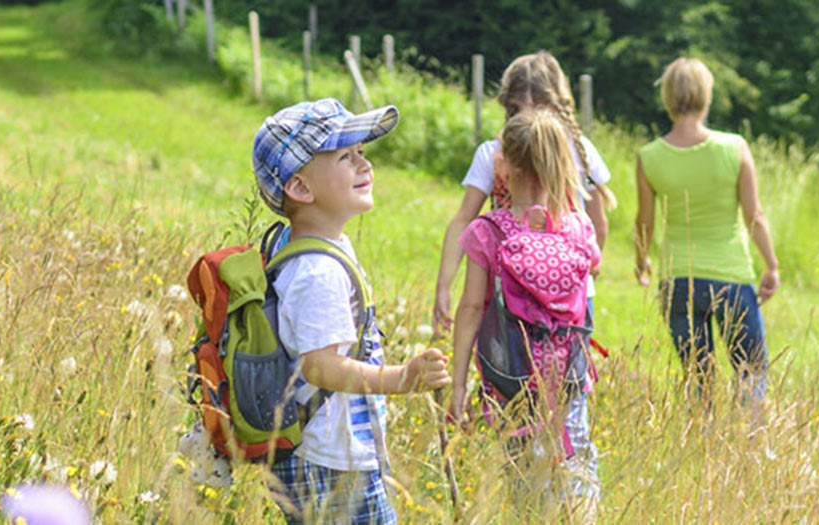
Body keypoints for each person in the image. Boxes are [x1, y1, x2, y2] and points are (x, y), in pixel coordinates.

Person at [251, 98, 452, 524]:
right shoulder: (317, 270)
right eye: (346, 156)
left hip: (331, 453)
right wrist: (402, 378)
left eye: (361, 151)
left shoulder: (322, 246)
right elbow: (320, 366)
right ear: (301, 188)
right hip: (329, 461)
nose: (365, 164)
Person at [447, 109, 602, 521]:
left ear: (505, 166)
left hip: (509, 379)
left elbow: (470, 309)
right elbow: (593, 272)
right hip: (568, 378)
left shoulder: (489, 232)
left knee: (522, 478)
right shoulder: (579, 228)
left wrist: (459, 384)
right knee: (576, 466)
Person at [633, 58, 779, 423]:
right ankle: (752, 444)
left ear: (667, 98)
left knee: (699, 378)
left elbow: (644, 222)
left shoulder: (649, 157)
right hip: (731, 277)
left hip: (678, 282)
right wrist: (771, 266)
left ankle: (702, 444)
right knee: (751, 372)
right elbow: (755, 215)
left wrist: (641, 259)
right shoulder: (735, 148)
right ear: (707, 96)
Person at [432, 51, 613, 335]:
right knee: (566, 359)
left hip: (515, 292)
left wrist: (445, 283)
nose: (530, 119)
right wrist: (444, 283)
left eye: (538, 110)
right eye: (521, 110)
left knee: (511, 359)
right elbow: (597, 225)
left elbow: (464, 219)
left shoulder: (497, 152)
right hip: (554, 295)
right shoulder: (577, 152)